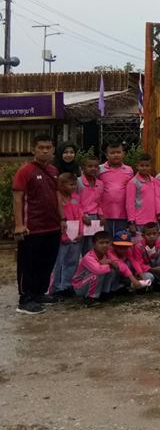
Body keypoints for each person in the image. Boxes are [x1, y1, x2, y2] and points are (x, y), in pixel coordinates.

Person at [12, 134, 61, 314]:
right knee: (28, 264)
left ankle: (39, 293)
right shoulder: (25, 171)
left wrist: (62, 220)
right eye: (41, 148)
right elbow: (17, 198)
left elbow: (57, 196)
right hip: (31, 227)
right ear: (33, 150)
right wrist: (19, 225)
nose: (45, 151)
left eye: (48, 148)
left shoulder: (54, 170)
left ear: (53, 150)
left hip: (52, 226)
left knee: (46, 262)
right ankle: (25, 299)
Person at [51, 172, 83, 298]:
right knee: (58, 263)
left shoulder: (76, 197)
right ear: (61, 185)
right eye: (70, 184)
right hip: (62, 235)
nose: (73, 187)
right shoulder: (56, 197)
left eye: (75, 184)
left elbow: (80, 215)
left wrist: (81, 232)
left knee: (72, 261)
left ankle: (67, 285)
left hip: (75, 236)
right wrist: (63, 235)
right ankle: (55, 288)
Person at [98, 142, 134, 238]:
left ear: (123, 153)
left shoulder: (129, 170)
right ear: (106, 155)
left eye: (118, 152)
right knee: (105, 241)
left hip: (123, 214)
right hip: (104, 214)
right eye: (112, 153)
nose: (116, 155)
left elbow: (131, 193)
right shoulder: (99, 170)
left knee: (121, 241)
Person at [71, 230, 116, 305]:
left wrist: (110, 262)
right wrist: (108, 264)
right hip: (80, 286)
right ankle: (91, 297)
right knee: (96, 275)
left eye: (107, 242)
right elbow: (98, 271)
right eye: (101, 243)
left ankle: (104, 293)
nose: (104, 245)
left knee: (112, 271)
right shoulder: (89, 257)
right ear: (94, 244)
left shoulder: (107, 254)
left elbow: (117, 266)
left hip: (90, 282)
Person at [125, 156, 160, 232]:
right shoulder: (133, 182)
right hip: (140, 220)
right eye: (142, 165)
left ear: (151, 167)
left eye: (147, 166)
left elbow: (158, 198)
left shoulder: (155, 181)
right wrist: (131, 222)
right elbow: (130, 203)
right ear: (137, 166)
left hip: (153, 220)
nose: (144, 168)